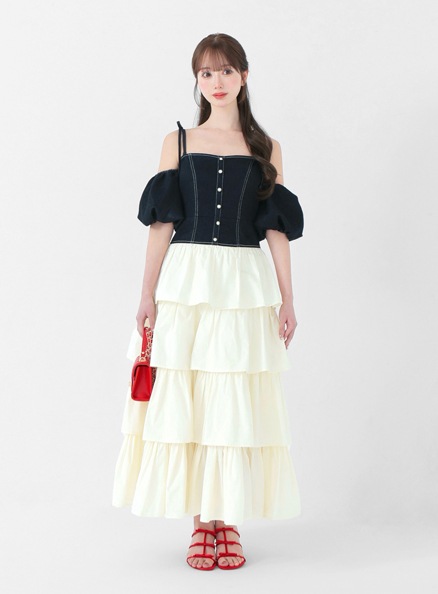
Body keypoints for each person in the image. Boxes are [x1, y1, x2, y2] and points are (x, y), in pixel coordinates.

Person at [112, 32, 304, 571]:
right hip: (186, 283)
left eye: (225, 71)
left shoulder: (267, 148)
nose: (216, 82)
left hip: (242, 284)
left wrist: (288, 299)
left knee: (232, 399)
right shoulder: (177, 141)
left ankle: (228, 519)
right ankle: (202, 521)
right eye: (206, 73)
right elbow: (161, 224)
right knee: (191, 396)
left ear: (244, 76)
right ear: (197, 81)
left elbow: (276, 230)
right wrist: (146, 293)